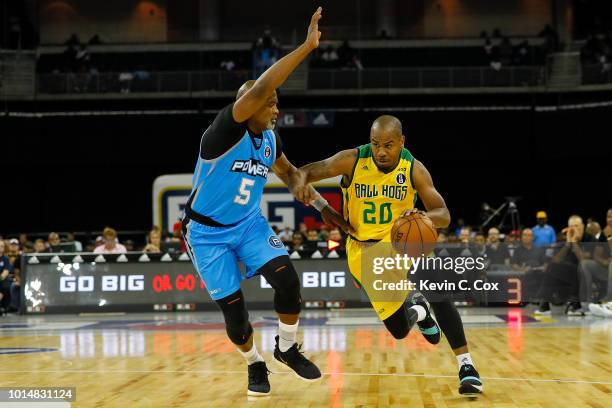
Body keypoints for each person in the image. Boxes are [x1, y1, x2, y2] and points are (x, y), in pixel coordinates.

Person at [181, 8, 349, 397]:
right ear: (250, 105)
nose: (277, 108)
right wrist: (307, 47)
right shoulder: (223, 132)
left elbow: (291, 174)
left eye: (276, 102)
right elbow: (260, 87)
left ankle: (286, 348)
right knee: (237, 319)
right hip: (206, 233)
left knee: (289, 282)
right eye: (271, 102)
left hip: (248, 226)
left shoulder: (270, 140)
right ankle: (254, 363)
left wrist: (325, 209)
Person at [292, 115, 482, 397]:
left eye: (388, 145)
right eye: (376, 144)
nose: (381, 151)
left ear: (401, 142)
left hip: (401, 242)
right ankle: (419, 311)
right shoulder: (352, 160)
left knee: (439, 288)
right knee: (399, 330)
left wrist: (421, 215)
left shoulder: (413, 168)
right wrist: (301, 183)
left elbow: (443, 215)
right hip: (363, 250)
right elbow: (306, 170)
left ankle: (467, 366)